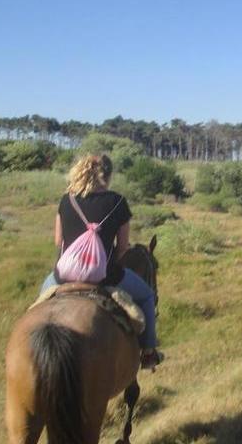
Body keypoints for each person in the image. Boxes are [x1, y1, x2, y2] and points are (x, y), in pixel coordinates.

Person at [39, 154, 162, 370]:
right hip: (104, 276)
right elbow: (123, 247)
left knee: (39, 304)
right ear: (108, 175)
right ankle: (149, 352)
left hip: (64, 275)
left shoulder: (66, 199)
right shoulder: (118, 202)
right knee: (146, 296)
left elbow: (59, 241)